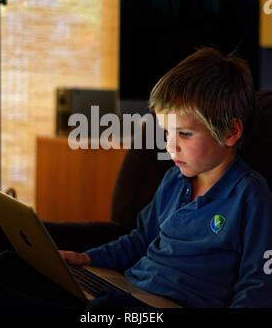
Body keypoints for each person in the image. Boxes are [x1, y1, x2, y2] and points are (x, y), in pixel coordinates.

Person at [60, 47, 272, 308]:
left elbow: (258, 283)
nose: (171, 146)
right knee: (11, 266)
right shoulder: (173, 181)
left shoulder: (250, 195)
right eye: (167, 133)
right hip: (133, 289)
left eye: (184, 134)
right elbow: (139, 239)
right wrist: (87, 259)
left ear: (230, 132)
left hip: (169, 304)